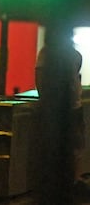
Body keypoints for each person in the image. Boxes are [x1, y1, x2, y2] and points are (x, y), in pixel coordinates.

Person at [35, 25, 86, 201]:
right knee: (73, 143)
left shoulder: (48, 54)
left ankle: (71, 179)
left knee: (72, 143)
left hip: (69, 105)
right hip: (70, 106)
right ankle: (72, 179)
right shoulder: (69, 55)